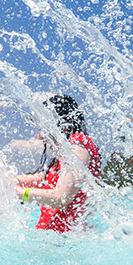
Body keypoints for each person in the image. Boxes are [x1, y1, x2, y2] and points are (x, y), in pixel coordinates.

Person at [15, 95, 102, 232]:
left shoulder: (79, 145)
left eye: (43, 127)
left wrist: (22, 193)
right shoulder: (63, 155)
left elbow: (61, 197)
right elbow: (40, 179)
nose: (40, 136)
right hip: (54, 240)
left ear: (64, 123)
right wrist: (5, 180)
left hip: (70, 243)